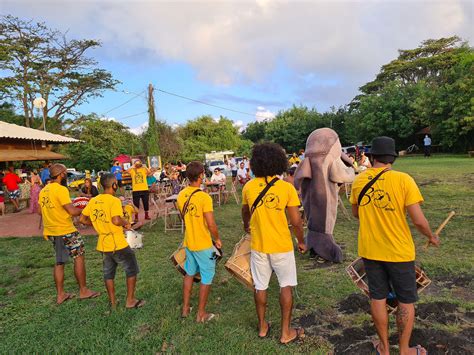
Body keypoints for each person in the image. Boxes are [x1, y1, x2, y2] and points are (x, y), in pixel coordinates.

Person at [350, 136, 440, 355]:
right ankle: (404, 350)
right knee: (405, 301)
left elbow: (356, 213)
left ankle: (384, 347)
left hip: (371, 250)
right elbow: (418, 220)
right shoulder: (403, 180)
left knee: (378, 298)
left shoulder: (360, 180)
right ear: (392, 158)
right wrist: (431, 236)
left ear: (371, 157)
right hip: (399, 252)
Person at [241, 143, 306, 344]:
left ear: (255, 163)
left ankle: (262, 327)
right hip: (282, 246)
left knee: (260, 286)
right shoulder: (286, 188)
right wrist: (301, 241)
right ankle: (286, 333)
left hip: (259, 245)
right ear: (279, 162)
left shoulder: (249, 187)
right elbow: (296, 221)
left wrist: (246, 225)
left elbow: (245, 212)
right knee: (285, 286)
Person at [80, 173, 144, 309]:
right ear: (114, 184)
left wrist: (99, 224)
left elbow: (82, 220)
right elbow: (116, 220)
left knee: (108, 274)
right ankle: (130, 300)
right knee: (131, 269)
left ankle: (113, 302)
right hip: (117, 243)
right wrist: (125, 222)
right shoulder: (114, 201)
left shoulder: (93, 201)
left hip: (103, 243)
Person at [38, 163, 100, 304]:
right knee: (78, 257)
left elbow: (39, 211)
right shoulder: (60, 189)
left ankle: (60, 294)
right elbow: (72, 211)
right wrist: (84, 209)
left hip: (52, 232)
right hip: (66, 230)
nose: (66, 175)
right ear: (61, 175)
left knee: (59, 262)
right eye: (65, 173)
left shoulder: (44, 191)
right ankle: (83, 291)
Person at [177, 161, 222, 323]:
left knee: (189, 273)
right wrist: (217, 239)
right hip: (203, 244)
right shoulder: (204, 197)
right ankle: (201, 314)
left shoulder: (181, 195)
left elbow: (183, 217)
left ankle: (185, 308)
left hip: (189, 242)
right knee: (207, 276)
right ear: (201, 175)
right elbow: (211, 224)